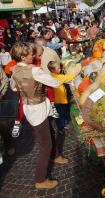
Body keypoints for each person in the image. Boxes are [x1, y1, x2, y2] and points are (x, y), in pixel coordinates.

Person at [10, 42, 61, 189]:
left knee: (49, 132)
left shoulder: (14, 70)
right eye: (31, 54)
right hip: (39, 108)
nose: (34, 55)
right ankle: (40, 179)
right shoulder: (35, 71)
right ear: (24, 57)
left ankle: (55, 155)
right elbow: (55, 82)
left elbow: (14, 88)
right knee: (45, 145)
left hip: (29, 107)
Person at [47, 61, 79, 156]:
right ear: (53, 70)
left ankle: (63, 123)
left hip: (61, 99)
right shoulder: (57, 77)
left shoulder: (53, 75)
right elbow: (66, 78)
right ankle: (61, 128)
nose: (60, 69)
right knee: (60, 114)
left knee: (63, 112)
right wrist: (75, 71)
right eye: (57, 68)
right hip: (59, 100)